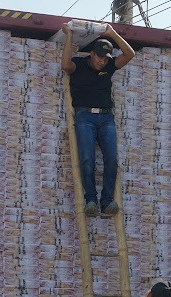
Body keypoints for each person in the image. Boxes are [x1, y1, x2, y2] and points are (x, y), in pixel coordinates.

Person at [61, 23, 135, 217]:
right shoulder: (78, 64)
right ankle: (91, 200)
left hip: (106, 117)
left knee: (111, 159)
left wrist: (113, 33)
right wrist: (69, 35)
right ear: (92, 54)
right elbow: (65, 65)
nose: (102, 62)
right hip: (85, 116)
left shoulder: (110, 66)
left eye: (105, 58)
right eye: (100, 57)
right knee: (87, 159)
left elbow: (130, 55)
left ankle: (107, 200)